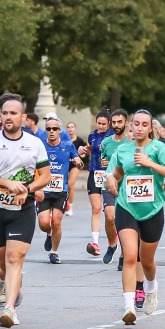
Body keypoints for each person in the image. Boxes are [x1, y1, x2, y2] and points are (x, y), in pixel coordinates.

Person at [0, 94, 50, 328]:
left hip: (23, 210)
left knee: (15, 259)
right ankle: (10, 287)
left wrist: (26, 188)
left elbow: (45, 177)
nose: (8, 117)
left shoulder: (35, 143)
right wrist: (6, 184)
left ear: (23, 117)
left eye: (13, 113)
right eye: (4, 113)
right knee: (1, 265)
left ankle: (9, 309)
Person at [104, 110, 165, 324]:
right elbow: (117, 172)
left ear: (150, 128)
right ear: (131, 126)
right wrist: (111, 179)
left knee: (146, 260)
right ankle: (129, 307)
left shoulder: (159, 149)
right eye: (136, 124)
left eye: (143, 124)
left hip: (152, 210)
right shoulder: (123, 150)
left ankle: (151, 286)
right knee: (130, 255)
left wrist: (150, 164)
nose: (139, 128)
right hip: (126, 206)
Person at [38, 116, 81, 264]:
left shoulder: (68, 145)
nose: (51, 131)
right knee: (44, 223)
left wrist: (79, 163)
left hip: (60, 190)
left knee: (56, 222)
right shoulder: (40, 145)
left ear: (59, 130)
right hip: (43, 190)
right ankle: (49, 233)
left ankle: (54, 252)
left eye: (54, 129)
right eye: (48, 129)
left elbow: (78, 162)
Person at [97, 110, 129, 269]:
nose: (116, 125)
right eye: (114, 122)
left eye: (119, 122)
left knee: (123, 221)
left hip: (127, 185)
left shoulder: (131, 142)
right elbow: (103, 160)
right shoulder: (106, 142)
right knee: (110, 218)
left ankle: (124, 254)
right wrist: (103, 163)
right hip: (109, 184)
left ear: (126, 123)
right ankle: (112, 245)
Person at [82, 111, 111, 258]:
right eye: (98, 123)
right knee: (96, 208)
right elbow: (89, 150)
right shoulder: (92, 135)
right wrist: (83, 151)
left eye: (103, 124)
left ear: (109, 123)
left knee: (110, 213)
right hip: (94, 174)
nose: (100, 126)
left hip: (110, 176)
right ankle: (95, 242)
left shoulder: (113, 136)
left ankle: (113, 240)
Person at [65, 121, 86, 216]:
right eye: (68, 127)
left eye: (72, 127)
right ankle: (64, 204)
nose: (70, 129)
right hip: (65, 164)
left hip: (75, 165)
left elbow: (85, 154)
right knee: (63, 184)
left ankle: (70, 206)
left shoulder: (80, 141)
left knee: (70, 184)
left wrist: (82, 154)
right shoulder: (63, 140)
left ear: (75, 129)